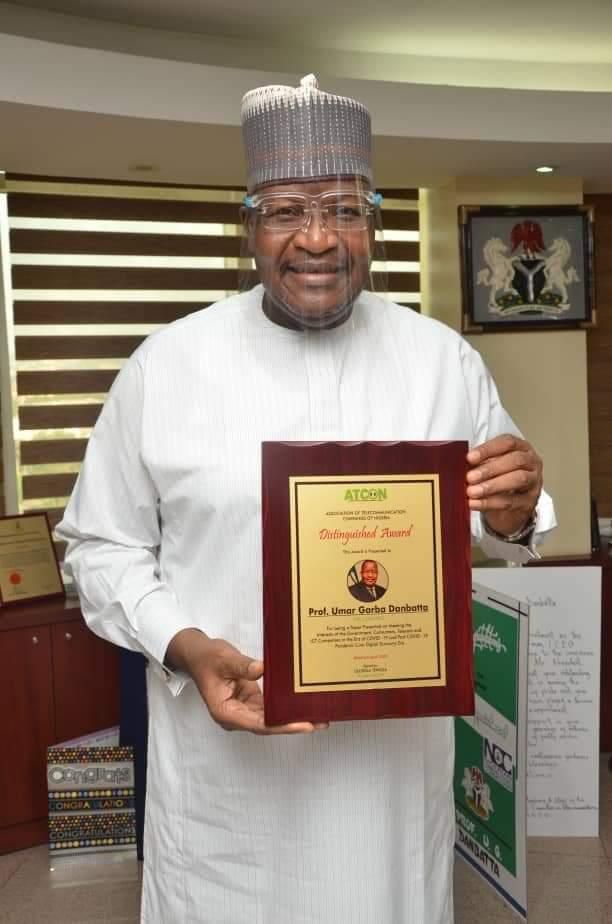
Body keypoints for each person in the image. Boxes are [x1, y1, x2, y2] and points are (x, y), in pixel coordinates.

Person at [58, 74, 556, 924]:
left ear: (376, 225)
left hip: (389, 791)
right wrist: (184, 646)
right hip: (226, 796)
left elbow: (502, 516)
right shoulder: (166, 366)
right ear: (248, 226)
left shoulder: (442, 361)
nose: (318, 238)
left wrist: (514, 508)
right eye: (287, 210)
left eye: (346, 210)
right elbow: (100, 547)